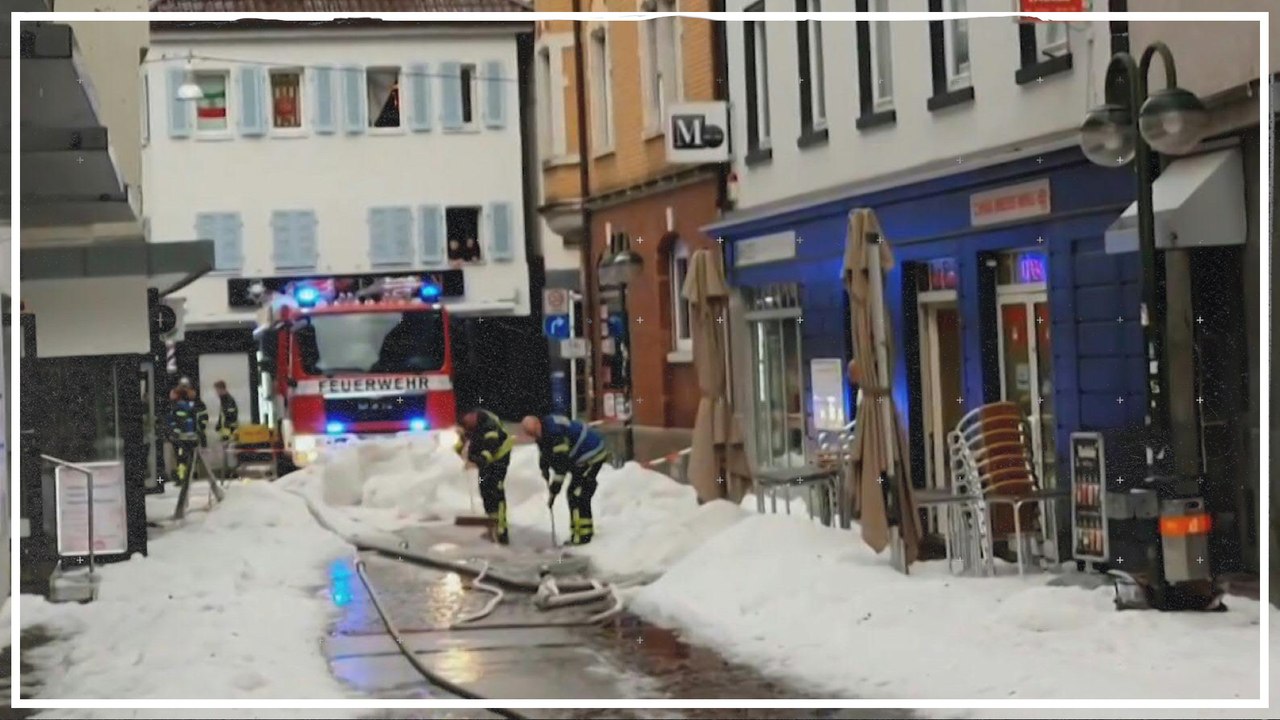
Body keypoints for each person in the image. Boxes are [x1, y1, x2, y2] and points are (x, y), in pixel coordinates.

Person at [521, 415, 610, 546]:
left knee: (579, 493)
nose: (534, 436)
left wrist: (553, 492)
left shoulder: (555, 434)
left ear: (538, 424)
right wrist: (544, 468)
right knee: (573, 494)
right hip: (579, 459)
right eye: (531, 434)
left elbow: (561, 466)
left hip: (591, 455)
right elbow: (544, 450)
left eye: (534, 432)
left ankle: (584, 536)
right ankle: (578, 532)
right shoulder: (543, 431)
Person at [453, 409, 514, 545]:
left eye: (465, 422)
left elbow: (489, 451)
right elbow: (459, 449)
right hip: (484, 460)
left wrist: (474, 462)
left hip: (499, 458)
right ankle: (492, 524)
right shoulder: (471, 425)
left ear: (472, 415)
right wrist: (462, 439)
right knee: (485, 489)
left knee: (496, 490)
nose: (465, 425)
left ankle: (502, 530)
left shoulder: (489, 425)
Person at [167, 383, 208, 488]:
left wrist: (173, 433)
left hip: (181, 439)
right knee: (187, 458)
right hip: (190, 438)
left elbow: (177, 423)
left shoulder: (179, 407)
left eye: (172, 393)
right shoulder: (190, 406)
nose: (170, 394)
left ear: (177, 395)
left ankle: (182, 479)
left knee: (181, 459)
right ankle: (188, 477)